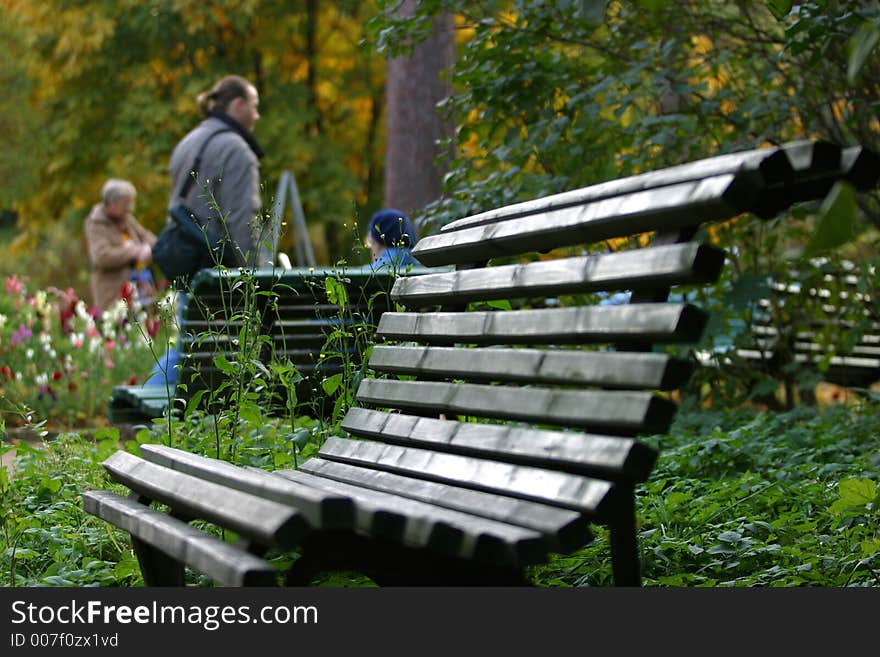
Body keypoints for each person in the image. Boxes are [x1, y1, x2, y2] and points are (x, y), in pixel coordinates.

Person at [147, 74, 270, 387]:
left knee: (190, 344)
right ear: (239, 104)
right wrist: (252, 277)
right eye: (254, 107)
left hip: (187, 262)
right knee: (197, 350)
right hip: (218, 270)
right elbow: (242, 221)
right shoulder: (237, 151)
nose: (257, 116)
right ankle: (147, 406)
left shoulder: (190, 140)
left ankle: (149, 403)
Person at [84, 179, 156, 312]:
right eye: (126, 204)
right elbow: (101, 256)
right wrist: (134, 252)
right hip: (113, 294)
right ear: (111, 203)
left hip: (140, 290)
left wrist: (148, 249)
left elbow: (148, 238)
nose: (130, 208)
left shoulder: (127, 219)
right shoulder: (96, 224)